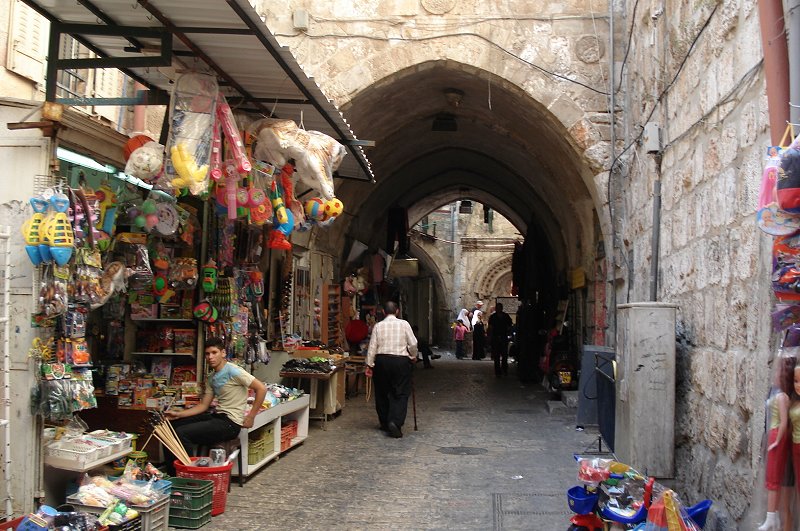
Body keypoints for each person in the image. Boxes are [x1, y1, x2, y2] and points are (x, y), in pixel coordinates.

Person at [165, 337, 267, 472]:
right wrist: (178, 414)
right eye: (207, 354)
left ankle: (187, 474)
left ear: (223, 353)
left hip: (231, 423)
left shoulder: (233, 371)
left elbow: (261, 388)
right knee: (170, 427)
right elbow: (203, 406)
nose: (210, 357)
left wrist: (251, 416)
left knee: (182, 433)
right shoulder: (212, 378)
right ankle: (170, 472)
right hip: (217, 417)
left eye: (214, 353)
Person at [365, 301, 418, 438]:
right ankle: (395, 421)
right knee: (400, 393)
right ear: (397, 311)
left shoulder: (378, 326)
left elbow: (372, 347)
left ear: (383, 312)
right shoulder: (404, 324)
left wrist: (369, 365)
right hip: (400, 361)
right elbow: (413, 343)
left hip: (382, 361)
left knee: (382, 392)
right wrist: (413, 356)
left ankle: (384, 422)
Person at [759, 355, 794, 531]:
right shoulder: (780, 395)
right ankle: (772, 517)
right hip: (774, 436)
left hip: (777, 437)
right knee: (771, 477)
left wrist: (777, 441)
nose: (775, 375)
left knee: (774, 478)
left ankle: (772, 518)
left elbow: (784, 423)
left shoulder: (782, 397)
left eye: (779, 371)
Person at [487, 302, 513, 376]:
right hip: (496, 337)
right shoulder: (493, 317)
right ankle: (498, 371)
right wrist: (490, 336)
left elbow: (509, 325)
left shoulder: (505, 316)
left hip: (503, 337)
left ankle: (504, 369)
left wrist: (507, 332)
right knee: (497, 355)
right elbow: (490, 327)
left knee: (504, 355)